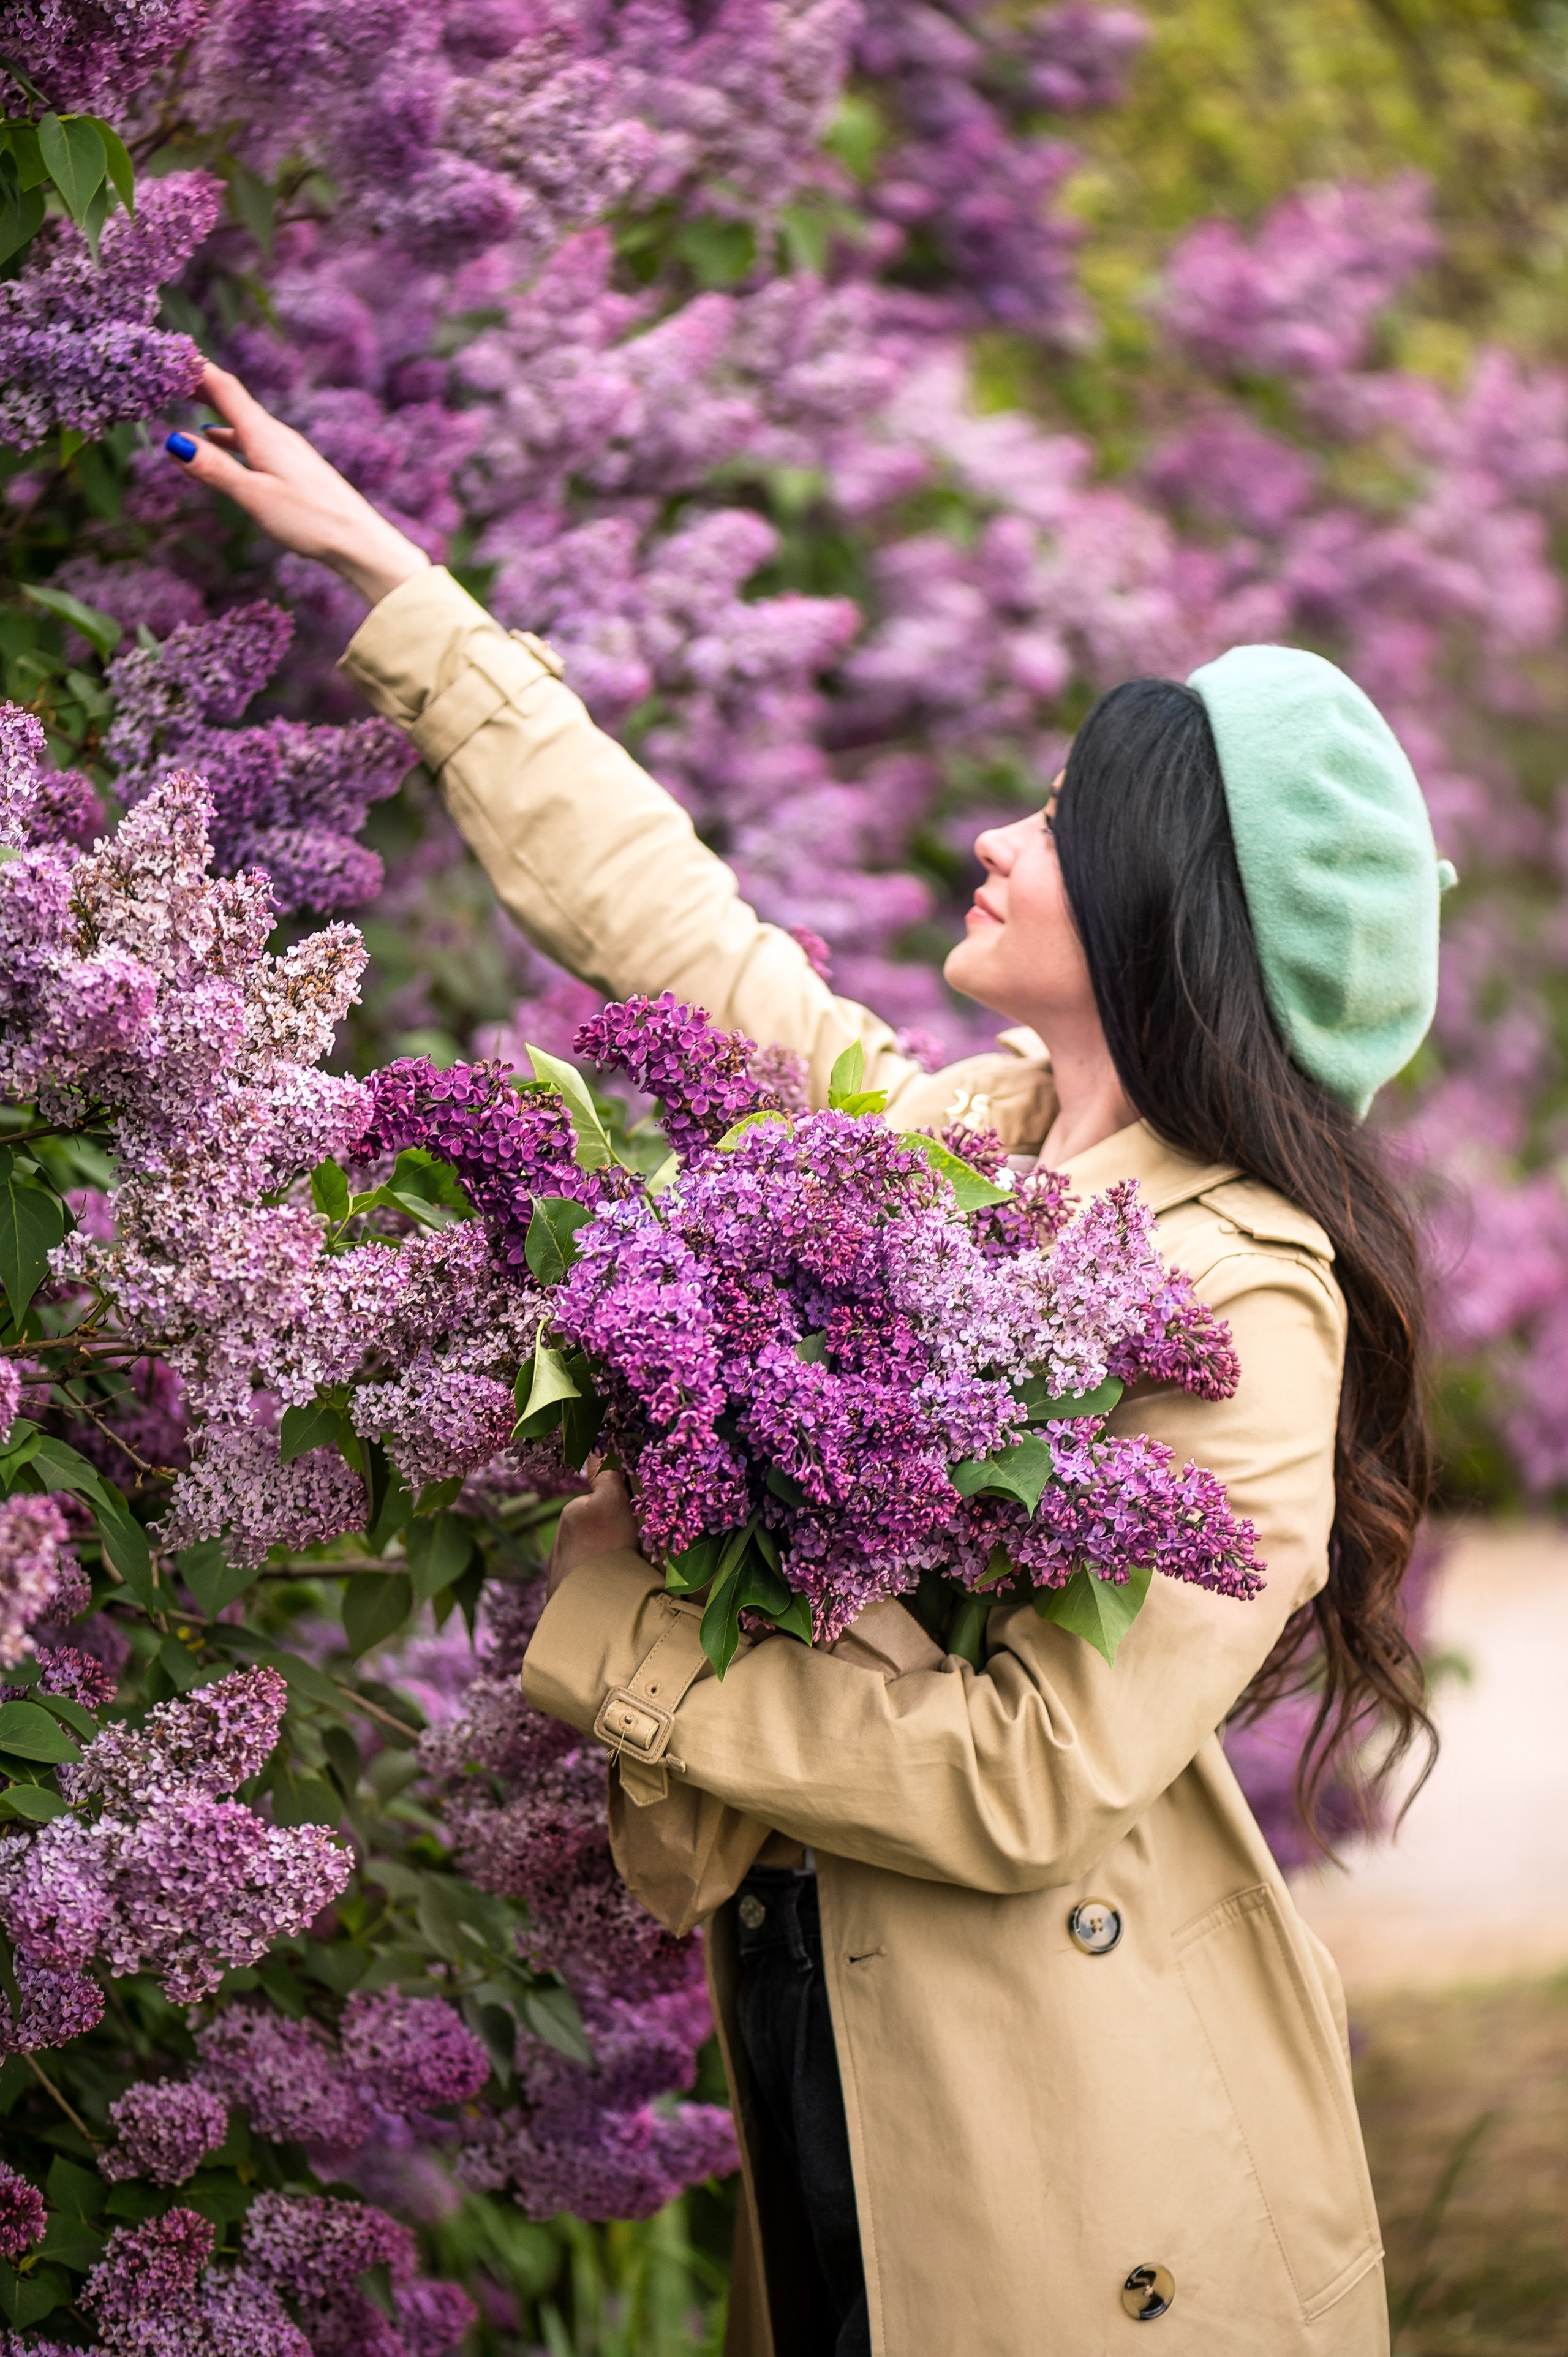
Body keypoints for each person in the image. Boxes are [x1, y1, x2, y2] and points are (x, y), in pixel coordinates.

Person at [165, 369, 1448, 2357]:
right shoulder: (966, 1146)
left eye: (1056, 810)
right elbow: (677, 930)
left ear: (1162, 900)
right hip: (837, 2056)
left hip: (1071, 2150)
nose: (994, 831)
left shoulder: (1250, 1299)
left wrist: (637, 1629)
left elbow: (1036, 1782)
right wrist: (382, 572)